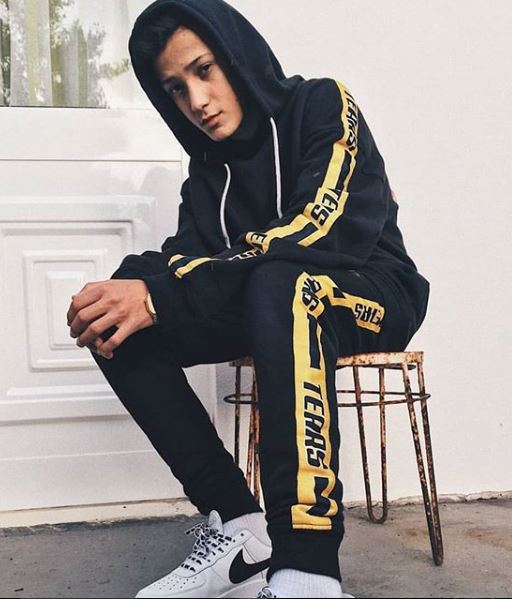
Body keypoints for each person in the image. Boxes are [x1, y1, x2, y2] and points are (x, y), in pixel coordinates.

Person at [66, 0, 430, 597]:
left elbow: (320, 228)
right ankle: (241, 529)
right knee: (120, 322)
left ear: (237, 55)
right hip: (272, 301)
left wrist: (167, 292)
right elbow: (187, 258)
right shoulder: (208, 172)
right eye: (176, 89)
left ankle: (309, 569)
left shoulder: (322, 104)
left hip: (370, 292)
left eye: (204, 70)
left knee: (285, 283)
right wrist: (129, 288)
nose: (197, 101)